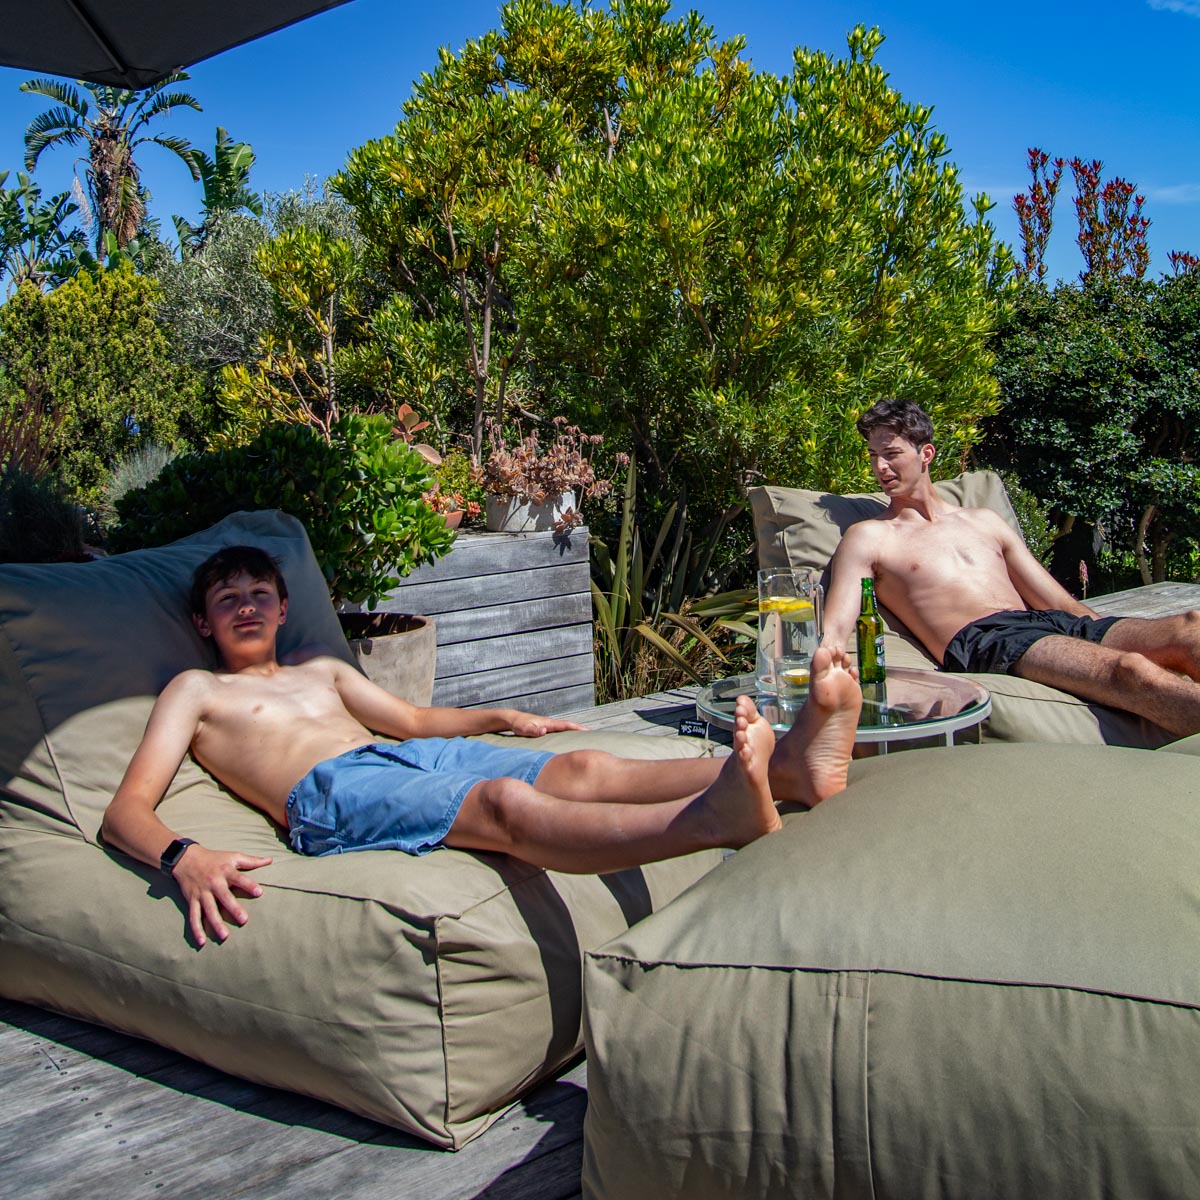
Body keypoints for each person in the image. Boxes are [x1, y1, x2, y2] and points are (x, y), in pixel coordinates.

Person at [102, 545, 862, 947]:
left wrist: (502, 715)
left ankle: (793, 768)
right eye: (226, 600)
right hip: (329, 792)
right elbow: (125, 810)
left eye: (257, 594)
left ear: (284, 606)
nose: (244, 606)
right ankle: (712, 820)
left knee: (582, 765)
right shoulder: (195, 693)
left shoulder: (323, 669)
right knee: (506, 803)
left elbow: (412, 721)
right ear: (203, 623)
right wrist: (183, 856)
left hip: (400, 756)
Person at [822, 397, 1200, 738]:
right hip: (987, 641)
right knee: (1131, 672)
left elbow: (1060, 603)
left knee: (1190, 627)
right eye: (873, 456)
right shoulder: (869, 536)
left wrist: (1098, 634)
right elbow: (838, 626)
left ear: (926, 454)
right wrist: (830, 656)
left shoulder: (984, 521)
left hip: (1046, 625)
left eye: (890, 453)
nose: (879, 466)